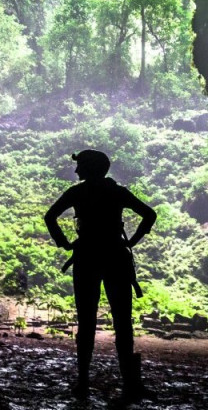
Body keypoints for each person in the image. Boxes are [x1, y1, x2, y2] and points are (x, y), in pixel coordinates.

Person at [44, 149, 157, 399]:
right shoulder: (117, 192)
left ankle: (83, 383)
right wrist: (132, 242)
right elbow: (149, 214)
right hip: (116, 257)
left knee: (86, 322)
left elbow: (50, 217)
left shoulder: (77, 192)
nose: (76, 170)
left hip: (86, 257)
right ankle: (129, 384)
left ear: (91, 168)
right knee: (123, 322)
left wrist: (65, 243)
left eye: (80, 165)